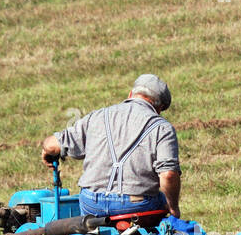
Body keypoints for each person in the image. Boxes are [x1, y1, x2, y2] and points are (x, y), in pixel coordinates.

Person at [40, 74, 181, 219]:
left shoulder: (97, 117)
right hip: (136, 205)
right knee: (162, 200)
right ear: (159, 107)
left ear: (131, 94)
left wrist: (46, 151)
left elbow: (51, 145)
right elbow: (168, 175)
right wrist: (173, 208)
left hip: (92, 203)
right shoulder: (162, 128)